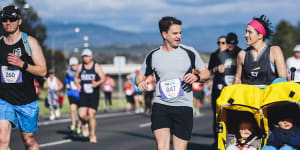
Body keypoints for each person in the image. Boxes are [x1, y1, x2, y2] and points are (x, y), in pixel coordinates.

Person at [136, 16, 210, 150]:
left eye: (180, 33)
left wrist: (197, 77)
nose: (179, 36)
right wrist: (140, 83)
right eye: (175, 33)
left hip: (183, 106)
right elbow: (140, 76)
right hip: (161, 105)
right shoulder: (153, 55)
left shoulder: (189, 52)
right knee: (162, 146)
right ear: (164, 34)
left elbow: (206, 73)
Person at [0, 5, 46, 150]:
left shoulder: (29, 42)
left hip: (26, 101)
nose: (8, 22)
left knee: (29, 141)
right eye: (5, 19)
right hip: (4, 99)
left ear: (19, 20)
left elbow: (43, 71)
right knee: (2, 138)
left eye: (12, 19)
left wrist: (22, 64)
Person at [234, 15, 287, 88]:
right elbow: (238, 78)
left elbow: (283, 78)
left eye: (250, 32)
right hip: (249, 97)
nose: (246, 35)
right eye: (246, 32)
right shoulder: (242, 54)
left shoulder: (274, 51)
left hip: (269, 96)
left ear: (260, 35)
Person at [210, 33, 241, 148]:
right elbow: (209, 71)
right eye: (227, 43)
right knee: (218, 115)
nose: (230, 45)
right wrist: (216, 68)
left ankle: (236, 139)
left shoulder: (241, 53)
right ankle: (218, 140)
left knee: (236, 114)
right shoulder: (217, 55)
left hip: (235, 89)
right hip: (219, 89)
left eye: (233, 43)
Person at [74, 48, 106, 143]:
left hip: (94, 94)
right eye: (84, 56)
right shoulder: (80, 67)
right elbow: (76, 78)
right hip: (83, 93)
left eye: (87, 56)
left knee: (91, 114)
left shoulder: (96, 67)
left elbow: (103, 78)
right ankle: (84, 124)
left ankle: (92, 135)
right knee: (81, 114)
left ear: (91, 57)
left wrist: (98, 83)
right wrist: (77, 84)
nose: (86, 58)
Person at [65, 56, 81, 134]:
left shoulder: (81, 71)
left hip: (80, 93)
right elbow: (66, 80)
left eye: (75, 65)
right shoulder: (68, 72)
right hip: (71, 93)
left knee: (80, 111)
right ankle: (74, 124)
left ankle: (79, 125)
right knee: (72, 109)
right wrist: (67, 84)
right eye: (72, 65)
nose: (74, 66)